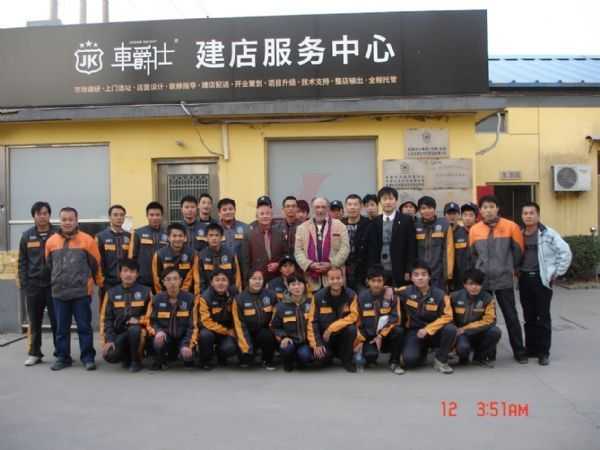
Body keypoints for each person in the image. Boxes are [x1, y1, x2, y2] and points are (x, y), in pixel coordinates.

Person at [469, 195, 527, 363]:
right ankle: (488, 353)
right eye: (484, 207)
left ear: (497, 208)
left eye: (491, 206)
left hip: (504, 280)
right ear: (480, 211)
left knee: (511, 316)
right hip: (483, 281)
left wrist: (508, 268)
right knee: (486, 318)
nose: (488, 210)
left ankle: (519, 351)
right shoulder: (475, 229)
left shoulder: (511, 226)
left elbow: (518, 252)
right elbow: (473, 255)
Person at [45, 207, 103, 371]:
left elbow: (96, 265)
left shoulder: (87, 240)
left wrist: (99, 282)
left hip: (81, 293)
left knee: (84, 327)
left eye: (71, 219)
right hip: (59, 293)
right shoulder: (51, 242)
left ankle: (88, 357)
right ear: (60, 221)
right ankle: (63, 357)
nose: (67, 222)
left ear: (77, 221)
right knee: (61, 328)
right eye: (64, 219)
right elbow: (49, 265)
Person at [519, 202, 572, 366]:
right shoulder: (519, 233)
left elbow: (565, 252)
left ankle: (543, 352)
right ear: (522, 216)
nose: (528, 216)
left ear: (538, 215)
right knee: (528, 317)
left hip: (541, 280)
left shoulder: (548, 233)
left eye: (532, 213)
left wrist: (556, 273)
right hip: (524, 279)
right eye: (525, 213)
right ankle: (531, 349)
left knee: (543, 316)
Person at [18, 201, 58, 366]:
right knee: (34, 321)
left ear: (49, 215)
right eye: (39, 214)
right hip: (34, 285)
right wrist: (25, 283)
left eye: (45, 213)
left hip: (54, 284)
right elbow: (22, 261)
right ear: (33, 216)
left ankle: (60, 352)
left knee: (57, 320)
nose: (42, 216)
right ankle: (34, 353)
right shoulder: (27, 236)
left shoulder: (57, 234)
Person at [400, 261, 457, 374]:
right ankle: (421, 353)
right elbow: (387, 290)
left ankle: (441, 360)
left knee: (450, 329)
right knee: (409, 361)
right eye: (416, 275)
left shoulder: (441, 295)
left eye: (424, 274)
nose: (420, 278)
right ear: (411, 278)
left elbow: (448, 316)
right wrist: (387, 290)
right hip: (415, 332)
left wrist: (428, 329)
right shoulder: (405, 291)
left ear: (429, 277)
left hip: (435, 332)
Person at [100, 259, 152, 372]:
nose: (128, 274)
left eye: (132, 272)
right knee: (110, 355)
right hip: (120, 333)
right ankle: (126, 357)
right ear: (120, 274)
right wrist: (108, 340)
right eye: (125, 271)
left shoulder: (147, 291)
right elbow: (105, 319)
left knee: (134, 330)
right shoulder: (111, 293)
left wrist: (139, 320)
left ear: (137, 274)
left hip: (140, 332)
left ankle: (136, 361)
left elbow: (152, 316)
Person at [352, 266, 405, 375]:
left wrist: (381, 335)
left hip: (385, 336)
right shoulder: (361, 297)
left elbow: (396, 319)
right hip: (370, 337)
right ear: (368, 282)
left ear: (384, 281)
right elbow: (357, 322)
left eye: (379, 281)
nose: (376, 284)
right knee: (370, 356)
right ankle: (370, 356)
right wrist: (359, 340)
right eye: (373, 281)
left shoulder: (392, 296)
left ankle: (394, 362)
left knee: (398, 330)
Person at [307, 267, 358, 373]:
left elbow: (354, 316)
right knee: (320, 360)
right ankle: (329, 356)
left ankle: (347, 360)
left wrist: (331, 328)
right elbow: (312, 321)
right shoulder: (317, 297)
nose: (335, 281)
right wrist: (316, 344)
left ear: (343, 278)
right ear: (327, 280)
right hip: (325, 339)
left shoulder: (351, 295)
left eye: (338, 278)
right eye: (332, 278)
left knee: (351, 329)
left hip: (342, 337)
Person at [295, 197, 350, 292]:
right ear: (312, 209)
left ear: (328, 209)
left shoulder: (340, 226)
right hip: (311, 279)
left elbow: (345, 248)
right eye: (317, 207)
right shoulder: (302, 228)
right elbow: (298, 251)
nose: (320, 210)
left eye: (323, 207)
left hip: (334, 278)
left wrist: (332, 264)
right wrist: (310, 264)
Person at [145, 268, 195, 370]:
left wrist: (187, 344)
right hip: (166, 337)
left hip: (184, 338)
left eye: (175, 279)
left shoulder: (190, 299)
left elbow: (193, 325)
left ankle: (186, 357)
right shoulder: (156, 299)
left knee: (188, 354)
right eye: (168, 279)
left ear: (180, 281)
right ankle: (161, 359)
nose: (172, 282)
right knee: (157, 341)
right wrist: (158, 332)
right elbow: (151, 321)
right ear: (163, 282)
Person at [366, 186, 416, 288]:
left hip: (400, 268)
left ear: (396, 201)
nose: (388, 202)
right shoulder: (375, 222)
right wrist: (371, 271)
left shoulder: (406, 220)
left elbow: (411, 247)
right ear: (380, 202)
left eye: (391, 199)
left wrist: (409, 270)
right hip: (380, 269)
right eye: (384, 199)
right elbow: (371, 249)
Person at [450, 268, 501, 368]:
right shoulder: (454, 297)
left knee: (495, 331)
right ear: (464, 284)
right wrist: (454, 330)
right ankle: (463, 357)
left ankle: (479, 357)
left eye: (478, 284)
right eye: (470, 284)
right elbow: (448, 317)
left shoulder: (488, 298)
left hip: (478, 331)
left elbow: (490, 320)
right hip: (460, 334)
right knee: (463, 348)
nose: (474, 287)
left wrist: (466, 329)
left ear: (482, 285)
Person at [232, 270, 278, 370]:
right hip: (246, 333)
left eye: (260, 279)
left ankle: (267, 360)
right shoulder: (239, 299)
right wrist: (246, 347)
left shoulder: (271, 295)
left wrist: (273, 331)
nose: (257, 282)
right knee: (245, 360)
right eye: (254, 279)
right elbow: (239, 325)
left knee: (267, 335)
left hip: (264, 331)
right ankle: (248, 354)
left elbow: (275, 317)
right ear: (248, 281)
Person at [195, 269, 238, 369]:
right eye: (217, 280)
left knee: (230, 348)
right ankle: (205, 360)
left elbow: (238, 316)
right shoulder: (205, 297)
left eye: (224, 280)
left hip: (227, 329)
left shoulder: (234, 294)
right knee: (205, 336)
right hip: (210, 330)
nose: (220, 283)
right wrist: (226, 331)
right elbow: (206, 321)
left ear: (228, 282)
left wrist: (234, 330)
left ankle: (221, 356)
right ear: (212, 283)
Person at [270, 274, 314, 372]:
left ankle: (299, 360)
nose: (297, 287)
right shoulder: (280, 306)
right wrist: (283, 337)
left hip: (305, 342)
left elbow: (316, 322)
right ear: (288, 287)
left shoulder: (311, 302)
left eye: (299, 284)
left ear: (304, 285)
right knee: (287, 348)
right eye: (293, 284)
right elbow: (274, 326)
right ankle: (287, 362)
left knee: (305, 356)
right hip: (290, 341)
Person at [96, 204, 132, 309]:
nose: (119, 217)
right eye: (115, 215)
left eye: (121, 215)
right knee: (106, 310)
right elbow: (97, 261)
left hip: (126, 282)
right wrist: (101, 281)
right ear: (109, 217)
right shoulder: (100, 237)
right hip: (107, 283)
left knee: (124, 309)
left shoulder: (130, 236)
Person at [414, 196, 454, 290]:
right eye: (423, 208)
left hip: (438, 274)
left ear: (434, 209)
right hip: (420, 274)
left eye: (430, 208)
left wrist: (448, 274)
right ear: (419, 211)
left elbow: (449, 251)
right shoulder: (415, 225)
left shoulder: (444, 225)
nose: (427, 211)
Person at [129, 201, 169, 292]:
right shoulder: (138, 233)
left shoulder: (168, 233)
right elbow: (132, 258)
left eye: (157, 215)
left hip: (164, 280)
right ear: (147, 216)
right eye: (151, 215)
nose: (155, 218)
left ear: (162, 216)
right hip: (143, 280)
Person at [248, 196, 288, 283]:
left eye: (268, 214)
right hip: (257, 278)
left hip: (277, 277)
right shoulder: (250, 234)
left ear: (272, 216)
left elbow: (286, 254)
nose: (265, 216)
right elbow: (247, 261)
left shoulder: (279, 233)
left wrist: (278, 264)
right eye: (262, 214)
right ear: (257, 216)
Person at [152, 223, 199, 295]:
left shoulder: (193, 254)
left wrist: (183, 293)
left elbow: (193, 277)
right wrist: (161, 296)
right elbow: (156, 279)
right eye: (174, 236)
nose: (177, 239)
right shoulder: (159, 255)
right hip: (165, 294)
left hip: (187, 294)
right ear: (168, 238)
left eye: (180, 236)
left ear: (185, 238)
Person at [197, 223, 242, 293]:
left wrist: (235, 294)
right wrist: (203, 296)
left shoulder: (230, 254)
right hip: (208, 295)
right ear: (206, 238)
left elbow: (237, 278)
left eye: (217, 235)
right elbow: (200, 280)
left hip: (228, 294)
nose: (214, 238)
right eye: (211, 235)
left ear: (221, 237)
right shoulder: (201, 256)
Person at [342, 194, 371, 291]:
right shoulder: (340, 224)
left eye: (355, 204)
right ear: (345, 207)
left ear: (361, 207)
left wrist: (370, 273)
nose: (352, 207)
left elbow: (373, 250)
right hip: (344, 269)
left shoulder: (369, 224)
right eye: (349, 204)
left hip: (363, 270)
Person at [217, 197, 250, 283]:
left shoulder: (245, 228)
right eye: (224, 210)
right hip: (221, 270)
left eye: (230, 209)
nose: (228, 212)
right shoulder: (215, 229)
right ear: (219, 212)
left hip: (243, 270)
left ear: (235, 210)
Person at [444, 201, 471, 292]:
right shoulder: (441, 233)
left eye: (454, 213)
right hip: (444, 275)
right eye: (449, 213)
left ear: (459, 215)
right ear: (444, 215)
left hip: (461, 276)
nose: (452, 216)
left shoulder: (464, 232)